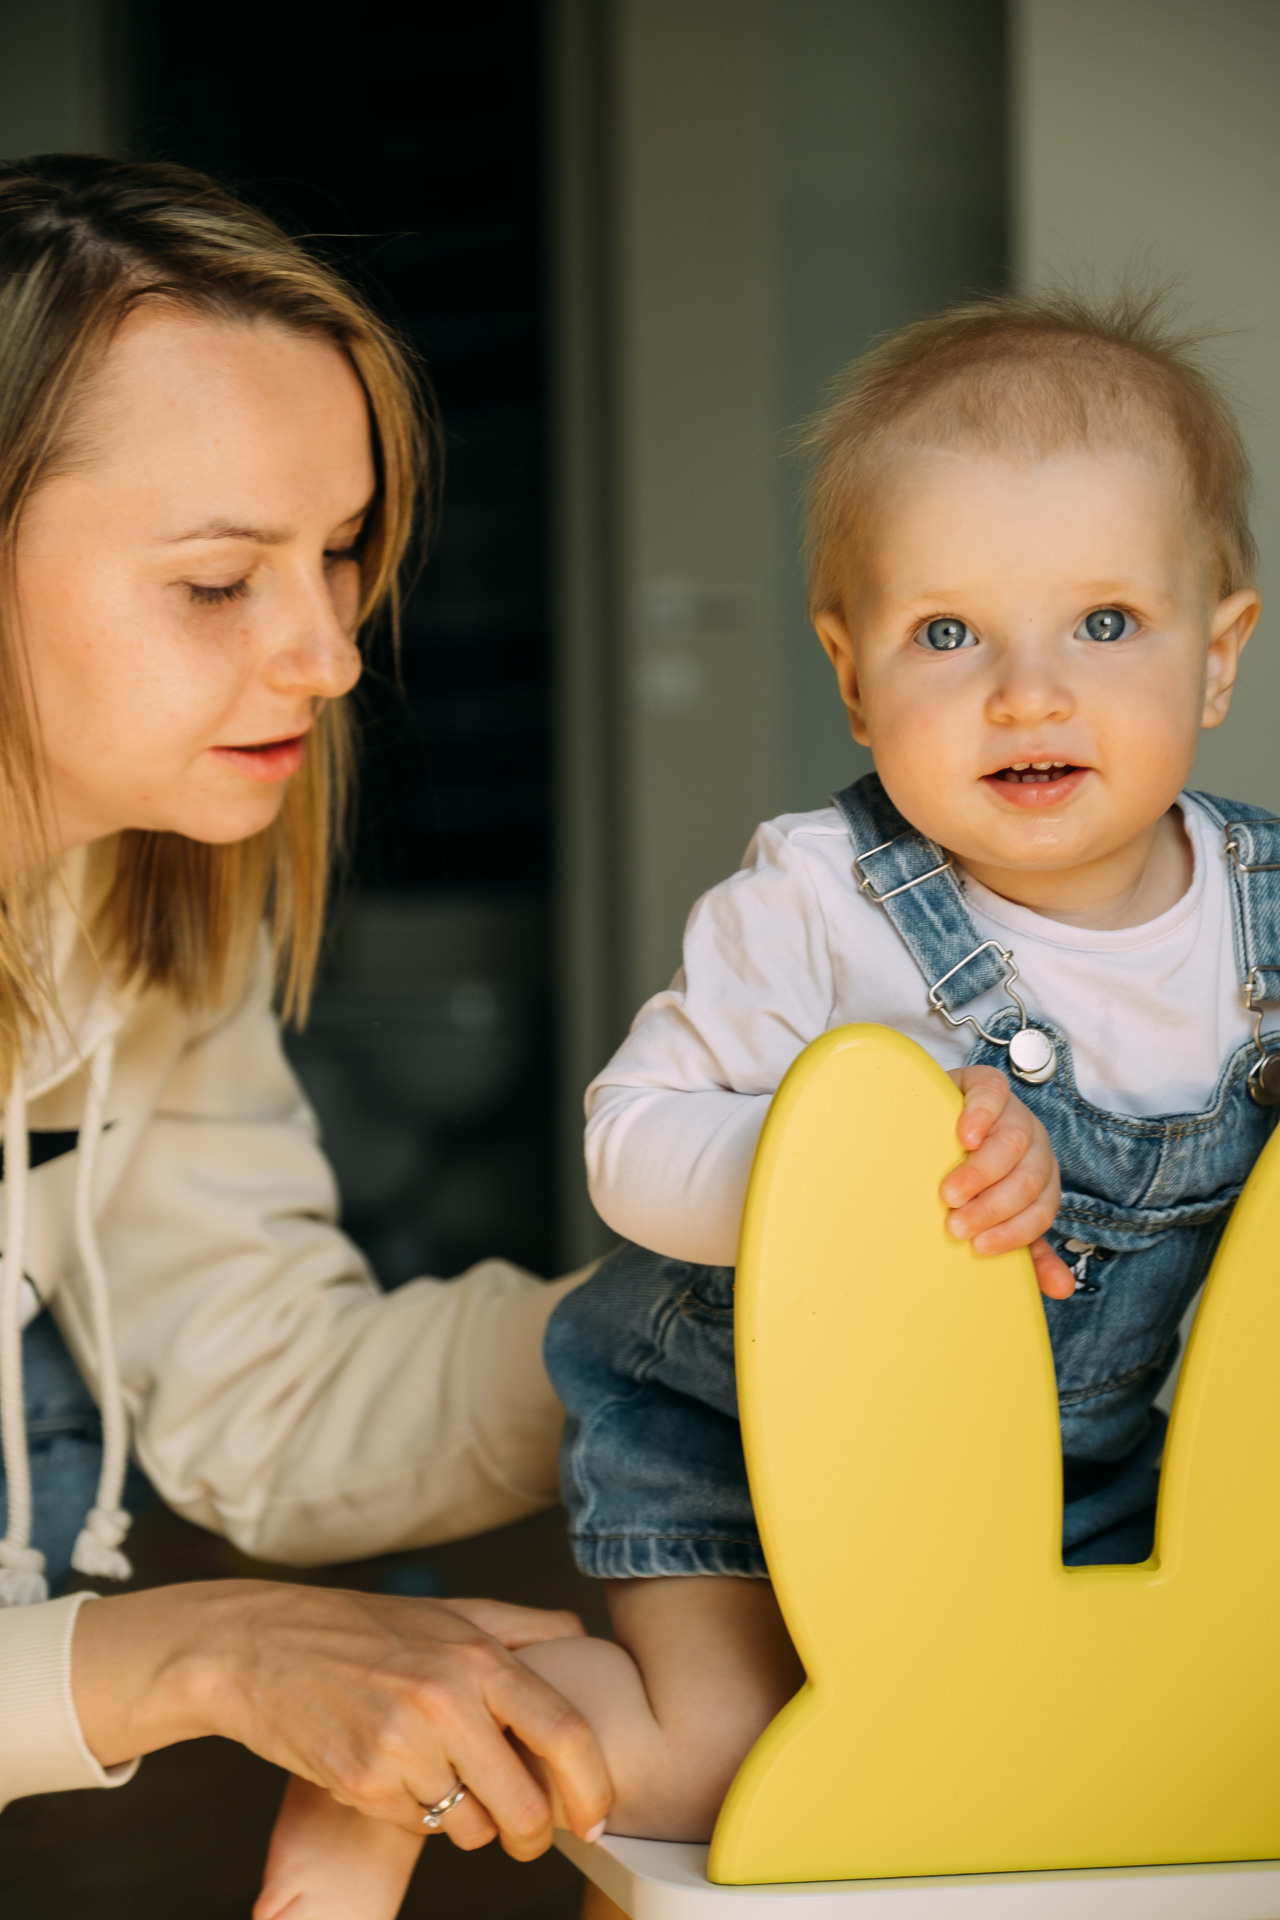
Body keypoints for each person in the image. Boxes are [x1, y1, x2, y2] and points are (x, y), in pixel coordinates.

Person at [271, 285, 1269, 1914]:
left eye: (1104, 623)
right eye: (948, 633)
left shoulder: (1264, 917)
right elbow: (630, 1139)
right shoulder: (823, 901)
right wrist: (858, 1174)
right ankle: (401, 1743)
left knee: (1164, 1765)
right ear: (852, 671)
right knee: (730, 1762)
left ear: (1216, 654)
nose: (1028, 691)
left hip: (1131, 1486)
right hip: (764, 1455)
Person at [0, 152, 613, 1868]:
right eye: (218, 581)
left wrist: (705, 1329)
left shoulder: (117, 899)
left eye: (340, 554)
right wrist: (200, 1651)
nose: (334, 654)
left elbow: (264, 1405)